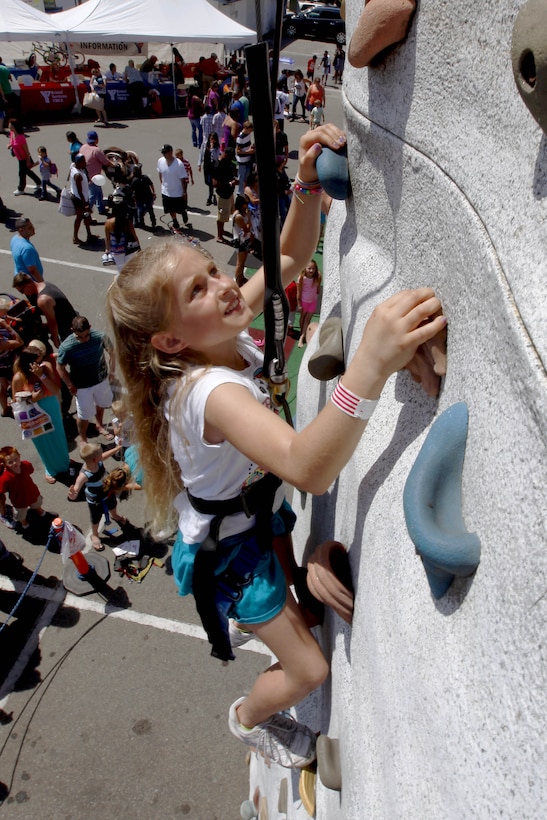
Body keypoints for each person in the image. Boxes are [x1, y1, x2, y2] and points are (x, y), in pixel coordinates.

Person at [105, 122, 446, 769]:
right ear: (170, 342)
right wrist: (368, 363)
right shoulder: (209, 390)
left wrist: (304, 184)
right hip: (232, 551)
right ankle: (249, 718)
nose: (223, 285)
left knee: (304, 619)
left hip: (251, 514)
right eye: (197, 291)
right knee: (308, 668)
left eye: (211, 269)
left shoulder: (217, 332)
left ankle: (273, 620)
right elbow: (306, 468)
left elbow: (288, 258)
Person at [12, 342, 70, 483]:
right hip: (33, 412)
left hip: (50, 406)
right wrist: (32, 398)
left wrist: (41, 376)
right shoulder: (19, 378)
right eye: (38, 362)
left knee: (58, 436)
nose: (41, 363)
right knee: (43, 441)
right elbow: (16, 402)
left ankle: (64, 462)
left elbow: (56, 390)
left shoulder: (46, 367)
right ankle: (50, 468)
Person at [56, 316, 116, 444]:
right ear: (72, 330)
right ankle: (83, 439)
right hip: (81, 386)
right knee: (83, 415)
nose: (83, 339)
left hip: (101, 379)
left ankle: (99, 425)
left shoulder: (100, 336)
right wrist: (69, 384)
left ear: (90, 327)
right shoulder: (67, 346)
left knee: (100, 404)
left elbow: (112, 353)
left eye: (86, 335)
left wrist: (112, 372)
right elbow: (60, 367)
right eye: (79, 337)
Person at [67, 441, 125, 552]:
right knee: (95, 518)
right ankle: (94, 535)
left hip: (108, 491)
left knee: (113, 504)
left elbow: (104, 456)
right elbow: (76, 490)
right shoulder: (84, 474)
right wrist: (72, 494)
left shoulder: (97, 462)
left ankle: (115, 515)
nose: (102, 454)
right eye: (100, 454)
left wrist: (117, 448)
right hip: (95, 500)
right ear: (94, 459)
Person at [13, 273, 78, 350]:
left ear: (28, 286)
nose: (23, 294)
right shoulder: (45, 284)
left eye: (22, 291)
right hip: (74, 319)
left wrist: (54, 338)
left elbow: (52, 322)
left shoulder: (43, 300)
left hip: (68, 329)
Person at [0, 447, 46, 532]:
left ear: (19, 456)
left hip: (32, 493)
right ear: (5, 464)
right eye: (10, 462)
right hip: (19, 500)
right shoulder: (5, 478)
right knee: (20, 514)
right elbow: (2, 489)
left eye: (16, 459)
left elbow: (30, 469)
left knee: (36, 503)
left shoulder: (25, 465)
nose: (14, 463)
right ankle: (24, 523)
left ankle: (39, 511)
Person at [79, 130, 115, 216]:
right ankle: (86, 214)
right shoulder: (96, 150)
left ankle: (101, 209)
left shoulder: (83, 147)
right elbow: (106, 162)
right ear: (96, 139)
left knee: (99, 193)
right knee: (92, 196)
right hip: (94, 178)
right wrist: (114, 165)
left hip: (84, 174)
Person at [104, 194, 140, 274]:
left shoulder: (108, 223)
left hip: (116, 251)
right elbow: (134, 235)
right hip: (128, 249)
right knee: (131, 269)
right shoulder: (127, 222)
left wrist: (107, 251)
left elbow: (107, 239)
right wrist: (139, 247)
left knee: (121, 270)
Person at [0, 296, 24, 417]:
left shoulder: (2, 317)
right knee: (15, 387)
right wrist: (7, 327)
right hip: (7, 363)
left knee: (2, 386)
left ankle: (5, 409)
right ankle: (18, 410)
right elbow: (19, 342)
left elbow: (5, 317)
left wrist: (13, 319)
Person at [157, 144, 189, 231]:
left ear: (170, 152)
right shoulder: (160, 161)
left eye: (165, 152)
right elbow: (160, 173)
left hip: (177, 193)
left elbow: (183, 179)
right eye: (163, 153)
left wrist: (184, 192)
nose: (163, 154)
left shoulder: (179, 164)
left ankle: (183, 213)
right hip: (166, 192)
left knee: (180, 208)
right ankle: (175, 221)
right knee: (170, 209)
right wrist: (163, 184)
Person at [8, 119, 41, 197]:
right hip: (19, 157)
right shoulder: (12, 133)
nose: (9, 126)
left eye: (10, 125)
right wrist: (10, 145)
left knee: (21, 173)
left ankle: (21, 189)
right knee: (27, 171)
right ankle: (38, 182)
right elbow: (11, 142)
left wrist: (28, 160)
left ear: (15, 126)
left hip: (24, 158)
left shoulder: (21, 137)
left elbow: (26, 150)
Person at [68, 154, 97, 245]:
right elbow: (79, 191)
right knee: (80, 217)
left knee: (87, 216)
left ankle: (89, 234)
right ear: (78, 163)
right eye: (83, 162)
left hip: (82, 197)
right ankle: (75, 237)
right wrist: (85, 204)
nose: (85, 163)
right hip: (79, 199)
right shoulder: (77, 175)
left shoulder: (73, 167)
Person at [212, 146, 237, 242]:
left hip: (229, 193)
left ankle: (222, 231)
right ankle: (219, 236)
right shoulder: (218, 165)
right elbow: (215, 183)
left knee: (228, 213)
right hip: (223, 195)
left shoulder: (230, 162)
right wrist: (230, 183)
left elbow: (235, 167)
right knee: (221, 217)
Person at [10, 217, 44, 283]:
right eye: (30, 228)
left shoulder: (14, 239)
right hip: (31, 283)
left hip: (22, 279)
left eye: (32, 226)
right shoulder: (27, 249)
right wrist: (42, 283)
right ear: (21, 230)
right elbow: (32, 270)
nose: (33, 228)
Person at [297, 259, 322, 347]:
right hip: (304, 300)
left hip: (313, 300)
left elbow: (318, 286)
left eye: (313, 269)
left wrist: (317, 293)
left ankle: (302, 336)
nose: (311, 270)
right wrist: (299, 303)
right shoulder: (302, 278)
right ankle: (302, 332)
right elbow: (299, 291)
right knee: (303, 318)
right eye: (309, 268)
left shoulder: (318, 275)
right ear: (305, 268)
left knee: (307, 319)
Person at [232, 194, 253, 287]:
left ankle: (241, 276)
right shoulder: (238, 216)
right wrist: (249, 220)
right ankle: (237, 280)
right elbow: (246, 228)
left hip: (245, 239)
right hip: (240, 241)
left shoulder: (244, 213)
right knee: (239, 263)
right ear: (241, 204)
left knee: (243, 260)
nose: (247, 204)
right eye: (246, 203)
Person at [130, 164, 156, 229]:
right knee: (150, 210)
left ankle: (142, 224)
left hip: (139, 199)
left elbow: (132, 190)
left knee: (140, 212)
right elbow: (151, 184)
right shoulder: (145, 177)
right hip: (148, 197)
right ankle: (153, 222)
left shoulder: (134, 180)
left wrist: (134, 200)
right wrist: (153, 193)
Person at [198, 131, 220, 206]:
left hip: (213, 166)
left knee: (212, 183)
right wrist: (199, 164)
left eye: (213, 139)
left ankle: (210, 197)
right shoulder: (204, 144)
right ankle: (211, 195)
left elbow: (216, 158)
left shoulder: (217, 148)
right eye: (211, 139)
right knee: (207, 182)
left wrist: (212, 149)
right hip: (206, 166)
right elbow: (201, 154)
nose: (212, 140)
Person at [235, 120, 255, 196]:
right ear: (246, 128)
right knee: (241, 177)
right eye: (250, 130)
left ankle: (245, 191)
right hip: (242, 161)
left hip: (248, 159)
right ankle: (240, 193)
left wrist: (251, 147)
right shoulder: (240, 138)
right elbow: (238, 151)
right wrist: (248, 152)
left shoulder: (248, 135)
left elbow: (248, 145)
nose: (250, 132)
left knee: (247, 177)